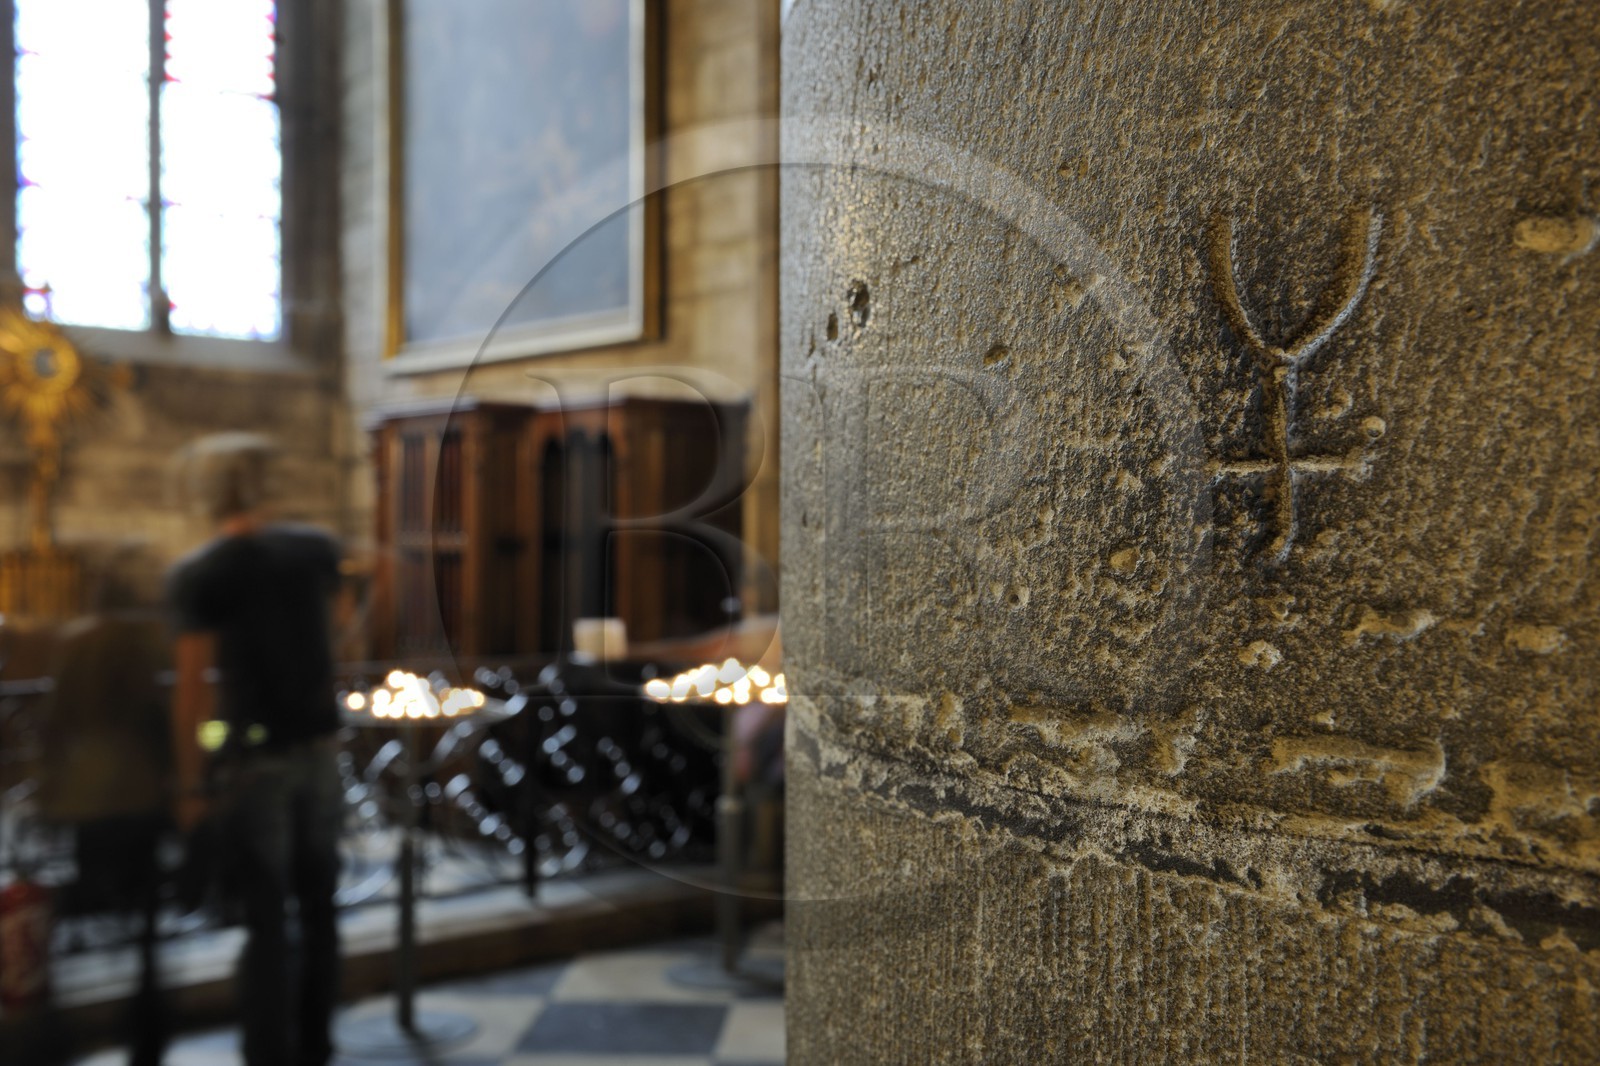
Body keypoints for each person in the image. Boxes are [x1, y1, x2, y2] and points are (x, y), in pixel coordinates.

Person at [167, 434, 343, 1066]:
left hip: (257, 759)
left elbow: (194, 689)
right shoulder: (312, 550)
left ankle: (270, 1052)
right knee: (320, 907)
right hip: (321, 749)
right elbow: (341, 626)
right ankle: (318, 1042)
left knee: (267, 918)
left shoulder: (202, 572)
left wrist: (190, 785)